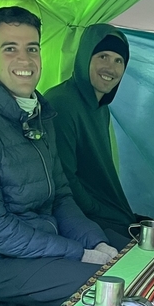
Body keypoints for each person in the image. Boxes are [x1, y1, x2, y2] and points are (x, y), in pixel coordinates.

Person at [0, 6, 120, 306]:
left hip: (42, 244)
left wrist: (95, 242)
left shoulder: (39, 117)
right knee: (103, 290)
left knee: (128, 256)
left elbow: (60, 197)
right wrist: (78, 253)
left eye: (32, 48)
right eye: (10, 49)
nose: (24, 60)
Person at [45, 23, 138, 241]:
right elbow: (64, 178)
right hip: (81, 221)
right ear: (85, 57)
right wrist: (99, 209)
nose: (111, 68)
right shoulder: (61, 103)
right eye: (103, 56)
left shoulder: (100, 107)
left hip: (109, 214)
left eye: (119, 60)